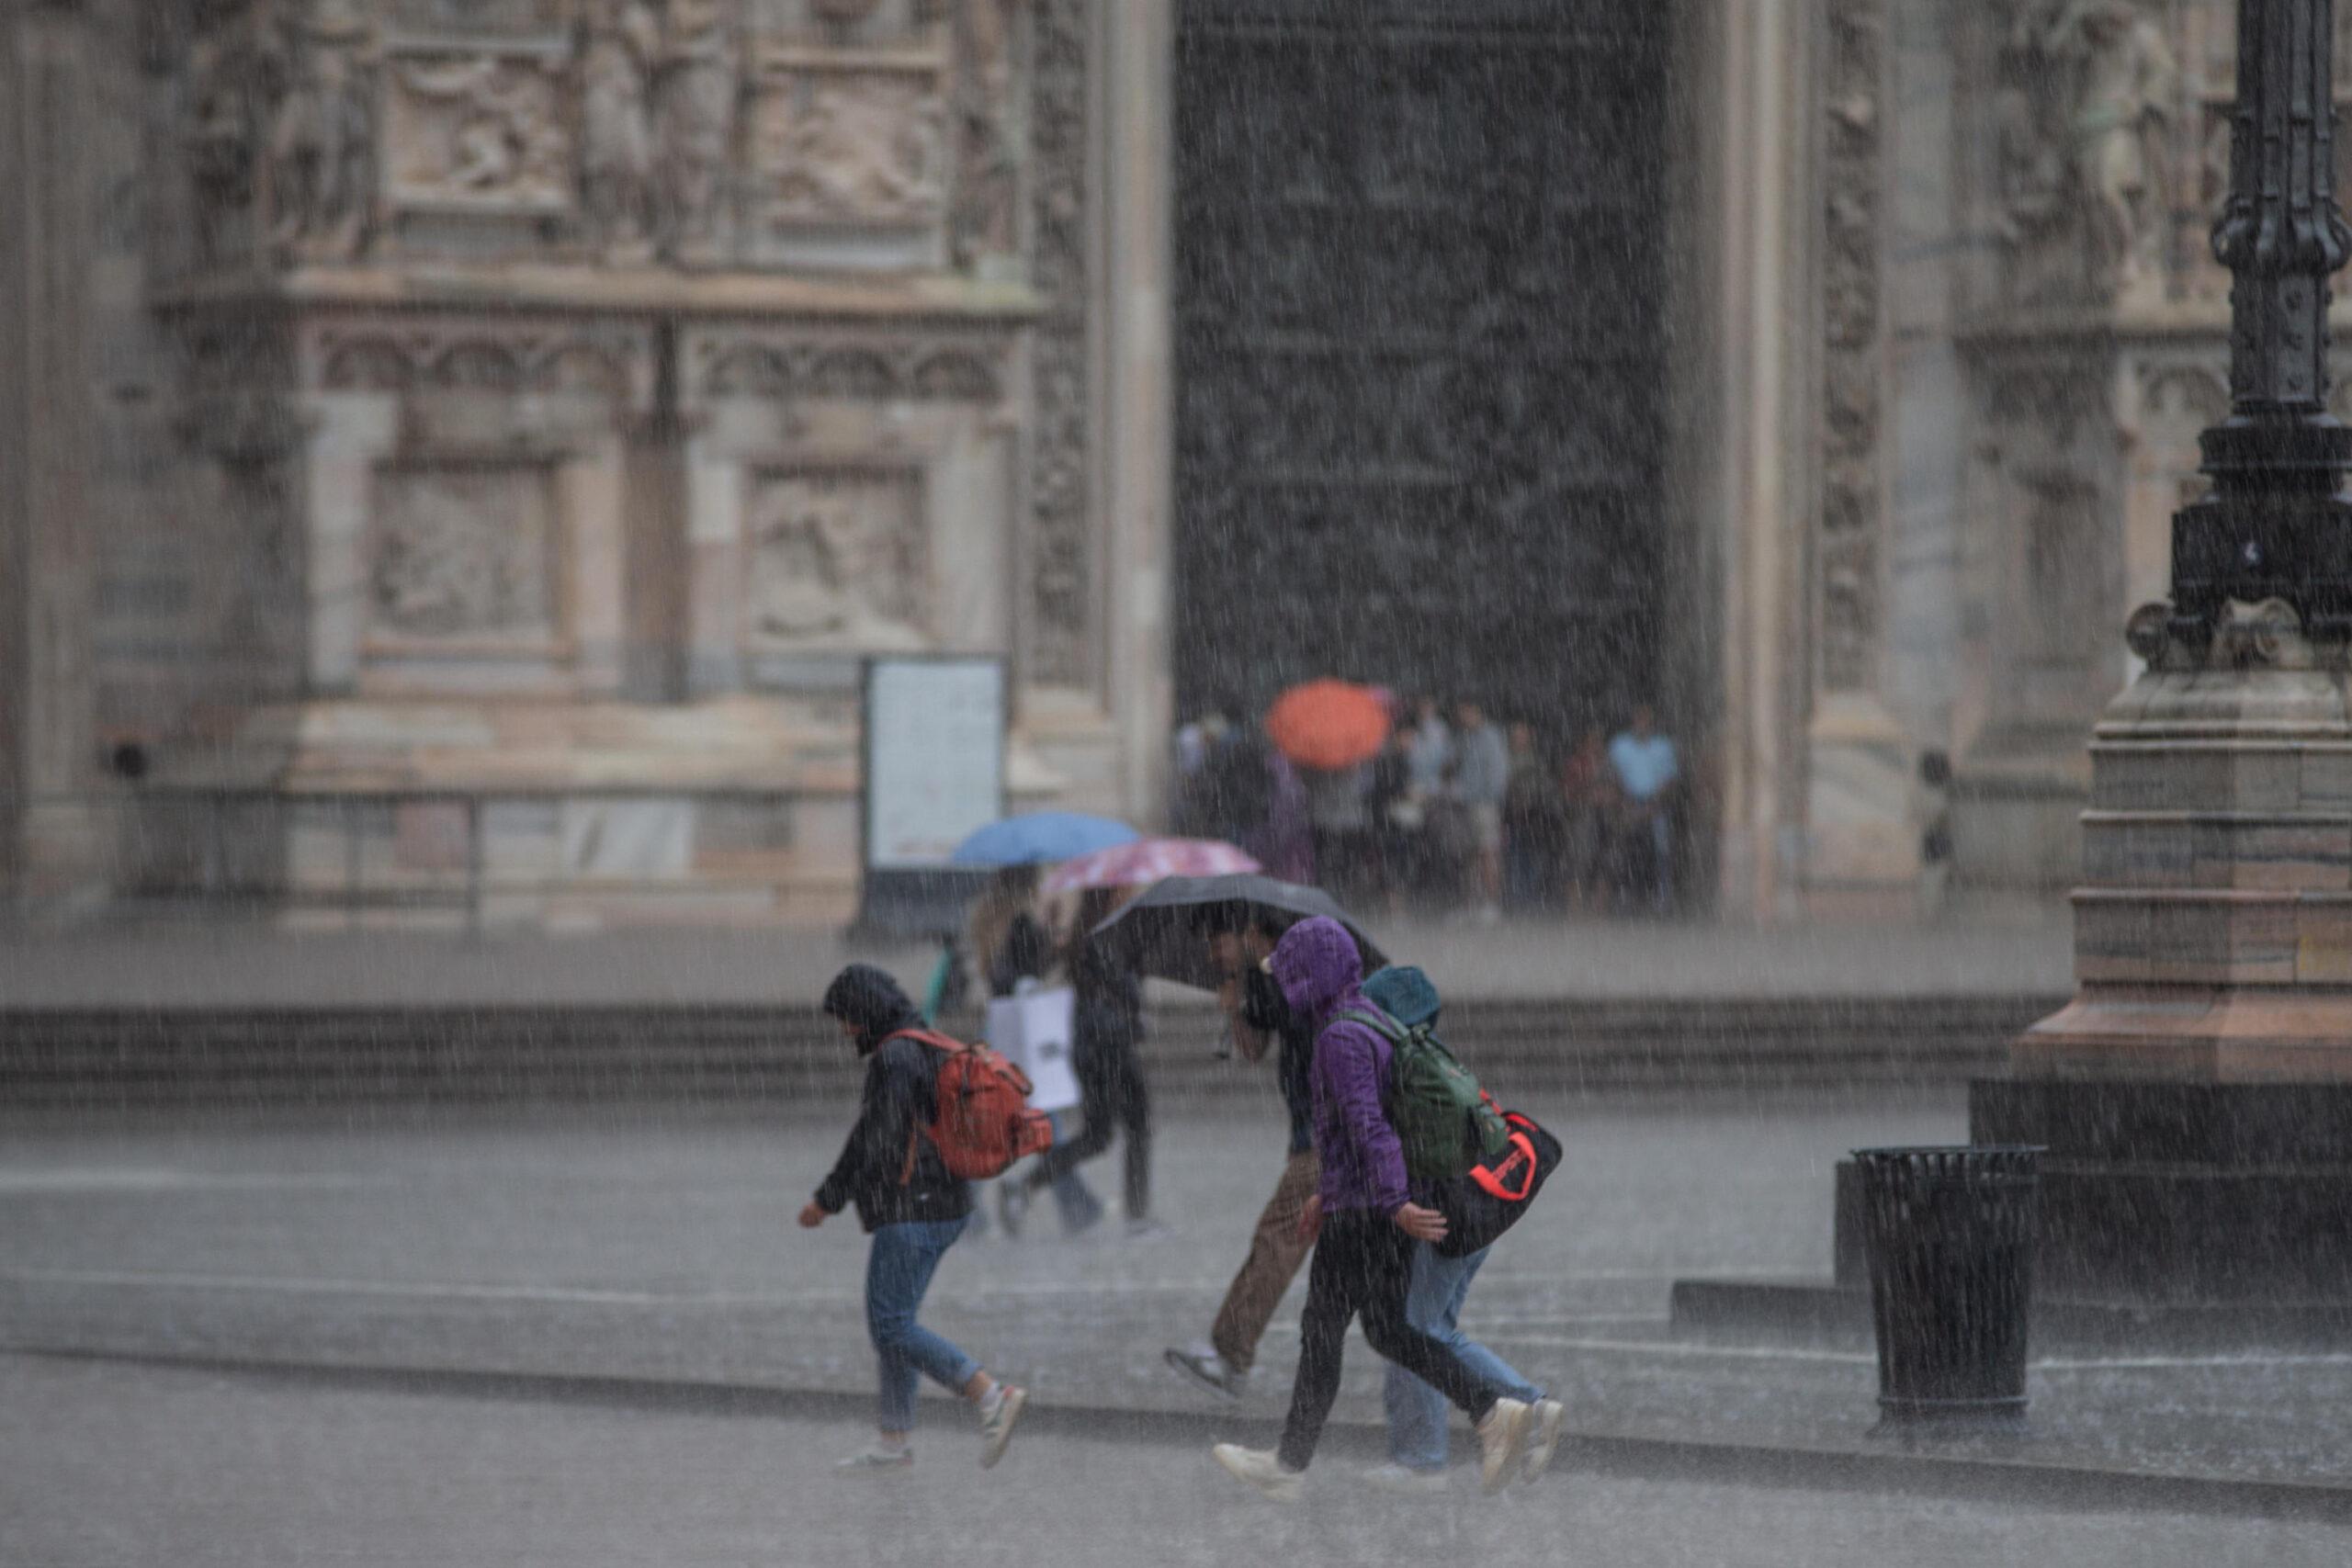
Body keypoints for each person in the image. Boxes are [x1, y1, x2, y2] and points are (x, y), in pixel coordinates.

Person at [1210, 918, 1533, 1503]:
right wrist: (1326, 1196)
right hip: (1363, 1207)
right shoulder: (1372, 1021)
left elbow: (1369, 1127)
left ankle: (1288, 1464)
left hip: (1366, 1214)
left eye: (1287, 975)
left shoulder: (1339, 1037)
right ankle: (1493, 1413)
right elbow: (1351, 1134)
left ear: (1309, 976)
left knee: (1323, 1332)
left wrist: (1393, 1204)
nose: (1282, 987)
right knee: (1389, 1330)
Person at [801, 964, 1028, 1474]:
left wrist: (833, 1196)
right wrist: (834, 1196)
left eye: (846, 1019)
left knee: (890, 1325)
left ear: (864, 1012)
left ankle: (990, 1394)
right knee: (897, 1322)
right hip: (945, 1203)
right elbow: (875, 1132)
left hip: (913, 1207)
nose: (845, 1031)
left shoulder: (895, 1057)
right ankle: (893, 1439)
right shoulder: (923, 1042)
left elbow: (874, 1138)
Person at [1357, 966, 1565, 1493]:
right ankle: (1531, 1409)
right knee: (1436, 1329)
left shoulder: (1401, 1070)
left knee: (1412, 1332)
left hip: (1438, 1219)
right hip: (1479, 1211)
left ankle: (1420, 1458)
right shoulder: (1440, 1059)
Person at [1164, 904, 1321, 1399]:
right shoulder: (1280, 978)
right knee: (1298, 1244)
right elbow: (1253, 1050)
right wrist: (1235, 1005)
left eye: (1219, 941)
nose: (1212, 953)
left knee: (1278, 1238)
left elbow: (1263, 1034)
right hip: (1322, 1134)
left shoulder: (1286, 976)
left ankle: (1230, 1355)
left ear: (1252, 932)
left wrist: (1243, 998)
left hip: (1325, 1137)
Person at [1007, 889, 1155, 1235]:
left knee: (1114, 1131)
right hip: (1108, 1046)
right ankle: (1135, 1216)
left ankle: (1027, 1186)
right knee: (1116, 1131)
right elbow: (1124, 989)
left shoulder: (1087, 935)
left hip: (1096, 1045)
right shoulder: (1105, 937)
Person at [971, 867, 1103, 1237]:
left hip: (999, 1030)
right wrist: (1050, 931)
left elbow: (1002, 973)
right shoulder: (1019, 922)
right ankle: (1074, 1204)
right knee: (1040, 1124)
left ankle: (1074, 1203)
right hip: (1021, 1034)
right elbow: (1029, 969)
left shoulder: (989, 919)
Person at [1607, 703, 1680, 914]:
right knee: (1624, 851)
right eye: (1639, 720)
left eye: (1646, 720)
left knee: (1661, 850)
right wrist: (1624, 802)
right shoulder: (1620, 746)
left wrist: (1653, 804)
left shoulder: (1663, 747)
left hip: (1656, 804)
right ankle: (1624, 894)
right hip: (1627, 803)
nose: (1642, 724)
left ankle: (1662, 895)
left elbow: (1670, 780)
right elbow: (1611, 774)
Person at [1451, 701, 1510, 925]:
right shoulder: (1465, 738)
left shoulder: (1489, 737)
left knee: (1488, 853)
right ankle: (1471, 904)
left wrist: (1488, 797)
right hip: (1466, 804)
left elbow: (1497, 772)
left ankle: (1491, 904)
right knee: (1470, 855)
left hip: (1484, 804)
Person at [1500, 721, 1564, 914]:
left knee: (1533, 857)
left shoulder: (1537, 760)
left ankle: (1529, 898)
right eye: (1516, 734)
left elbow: (1544, 786)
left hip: (1534, 816)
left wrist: (1531, 802)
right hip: (1511, 815)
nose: (1519, 738)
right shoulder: (1504, 758)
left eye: (1523, 734)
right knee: (1515, 857)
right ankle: (1517, 900)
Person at [1558, 727, 1616, 914]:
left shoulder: (1609, 765)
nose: (1594, 747)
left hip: (1607, 818)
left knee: (1606, 862)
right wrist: (1587, 794)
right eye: (1591, 742)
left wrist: (1606, 796)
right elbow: (1567, 794)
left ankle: (1599, 908)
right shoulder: (1575, 764)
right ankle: (1574, 907)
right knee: (1578, 861)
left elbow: (1617, 791)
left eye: (1597, 743)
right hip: (1582, 818)